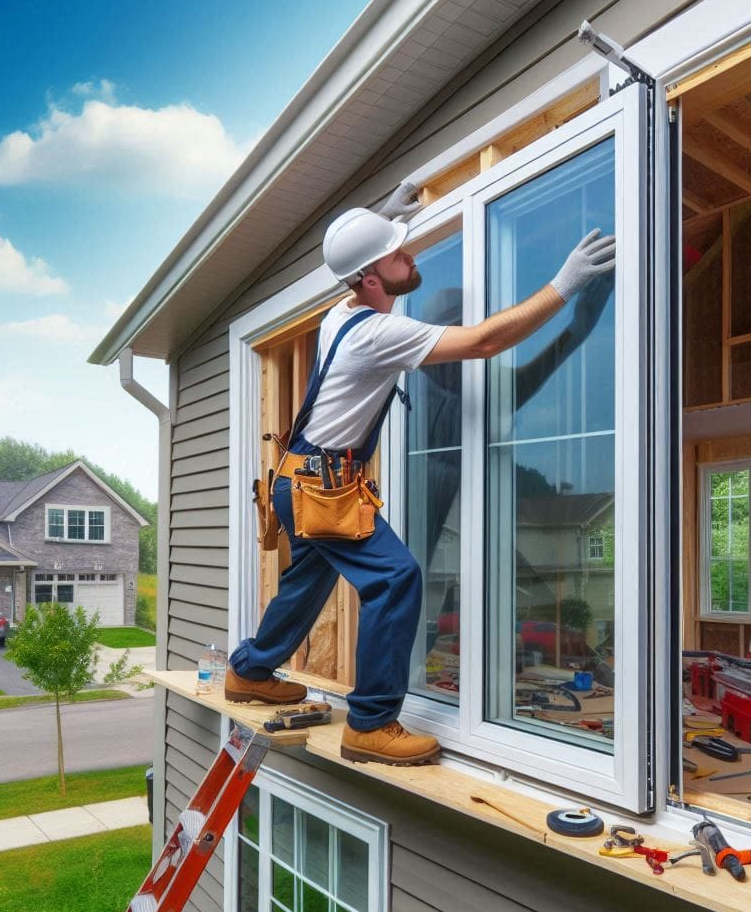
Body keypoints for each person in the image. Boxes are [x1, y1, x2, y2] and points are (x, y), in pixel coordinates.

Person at [225, 181, 616, 766]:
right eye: (397, 253)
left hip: (298, 478)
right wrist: (564, 284)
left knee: (308, 580)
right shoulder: (380, 335)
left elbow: (356, 270)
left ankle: (250, 671)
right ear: (374, 279)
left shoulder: (345, 311)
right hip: (323, 485)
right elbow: (485, 341)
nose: (411, 256)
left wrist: (380, 218)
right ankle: (372, 723)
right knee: (397, 578)